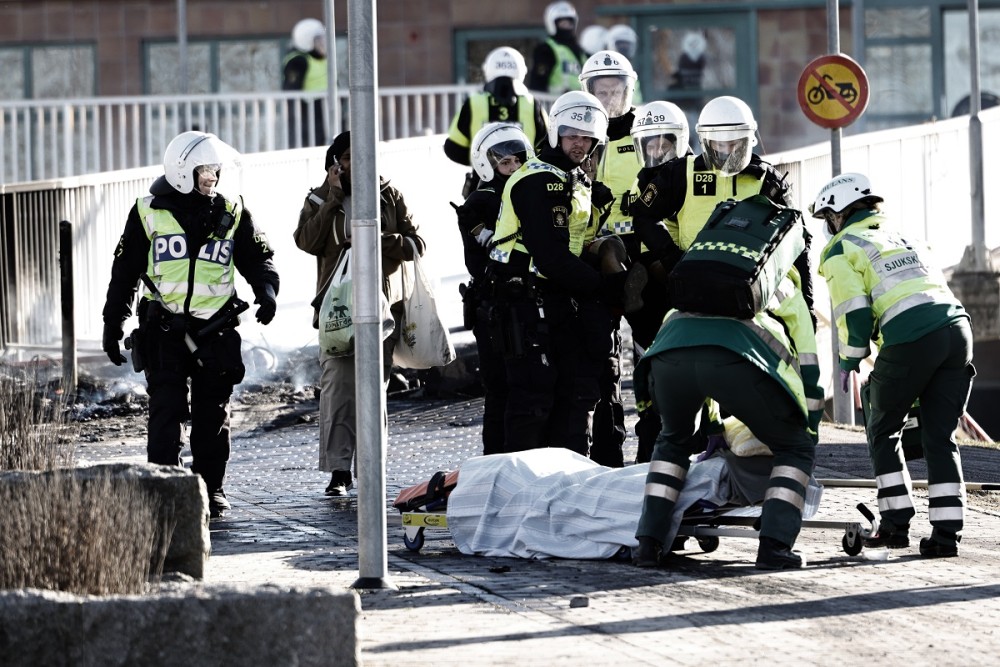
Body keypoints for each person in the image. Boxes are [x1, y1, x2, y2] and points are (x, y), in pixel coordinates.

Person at [101, 131, 280, 519]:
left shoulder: (232, 211)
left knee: (212, 415)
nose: (212, 177)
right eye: (205, 170)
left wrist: (267, 291)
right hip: (163, 331)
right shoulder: (148, 212)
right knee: (166, 412)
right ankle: (164, 490)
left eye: (215, 170)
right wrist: (112, 324)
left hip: (215, 330)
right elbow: (125, 274)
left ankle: (210, 490)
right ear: (183, 171)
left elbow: (257, 258)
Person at [813, 172, 975, 558]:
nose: (828, 226)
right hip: (958, 332)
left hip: (911, 338)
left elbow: (854, 312)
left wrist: (849, 359)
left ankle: (894, 525)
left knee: (884, 429)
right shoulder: (905, 236)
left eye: (827, 218)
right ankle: (946, 535)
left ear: (837, 214)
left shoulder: (841, 246)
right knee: (940, 436)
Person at [631, 250, 822, 570]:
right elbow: (807, 360)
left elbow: (696, 365)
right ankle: (775, 545)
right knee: (795, 447)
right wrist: (810, 424)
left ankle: (648, 544)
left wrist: (713, 426)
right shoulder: (784, 284)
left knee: (673, 442)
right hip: (735, 355)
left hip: (667, 353)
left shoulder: (703, 276)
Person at [485, 90, 618, 456]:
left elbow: (576, 244)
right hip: (525, 301)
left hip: (558, 298)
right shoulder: (538, 180)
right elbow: (550, 256)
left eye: (587, 137)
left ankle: (568, 484)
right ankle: (518, 491)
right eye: (572, 135)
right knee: (533, 401)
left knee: (575, 396)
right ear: (557, 132)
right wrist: (606, 288)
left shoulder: (575, 178)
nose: (580, 143)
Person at [293, 131, 425, 497]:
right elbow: (306, 241)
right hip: (337, 308)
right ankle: (338, 471)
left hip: (382, 307)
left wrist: (379, 240)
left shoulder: (389, 195)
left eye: (362, 155)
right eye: (348, 157)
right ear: (335, 162)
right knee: (337, 388)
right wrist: (334, 198)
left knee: (373, 389)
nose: (356, 164)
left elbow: (417, 244)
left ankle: (371, 466)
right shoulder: (319, 198)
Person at [629, 95, 816, 320]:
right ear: (706, 142)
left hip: (751, 290)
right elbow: (642, 215)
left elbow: (799, 241)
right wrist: (673, 259)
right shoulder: (681, 173)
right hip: (693, 285)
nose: (727, 151)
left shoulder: (768, 180)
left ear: (748, 140)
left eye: (734, 143)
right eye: (719, 144)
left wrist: (808, 305)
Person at [453, 123, 535, 455]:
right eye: (505, 163)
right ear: (488, 165)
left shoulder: (531, 190)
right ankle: (495, 462)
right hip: (495, 309)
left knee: (528, 389)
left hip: (526, 303)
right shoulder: (480, 203)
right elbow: (483, 258)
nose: (513, 168)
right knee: (501, 389)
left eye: (518, 161)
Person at [577, 49, 642, 468]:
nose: (608, 101)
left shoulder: (647, 132)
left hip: (641, 253)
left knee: (652, 355)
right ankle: (608, 452)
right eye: (601, 93)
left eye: (615, 92)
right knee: (603, 361)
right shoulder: (579, 139)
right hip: (594, 258)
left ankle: (657, 448)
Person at [626, 100, 693, 464]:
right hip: (662, 282)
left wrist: (668, 259)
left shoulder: (693, 174)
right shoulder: (645, 181)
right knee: (647, 359)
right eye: (649, 145)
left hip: (685, 276)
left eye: (663, 144)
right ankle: (650, 440)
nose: (656, 152)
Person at [444, 46, 547, 197]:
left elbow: (453, 148)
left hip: (481, 188)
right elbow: (547, 146)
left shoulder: (474, 102)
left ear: (488, 70)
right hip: (526, 186)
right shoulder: (532, 104)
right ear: (521, 71)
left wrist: (483, 161)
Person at [282, 18, 328, 148]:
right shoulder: (298, 60)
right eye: (318, 40)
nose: (323, 43)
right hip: (309, 116)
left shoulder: (321, 59)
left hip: (324, 112)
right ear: (306, 41)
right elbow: (291, 91)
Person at [528, 1, 586, 94]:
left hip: (581, 104)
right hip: (554, 104)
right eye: (563, 24)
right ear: (552, 24)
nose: (567, 27)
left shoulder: (581, 52)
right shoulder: (545, 50)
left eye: (570, 23)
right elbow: (537, 84)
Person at [604, 24, 643, 103]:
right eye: (621, 44)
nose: (624, 48)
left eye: (627, 45)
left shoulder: (631, 71)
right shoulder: (604, 71)